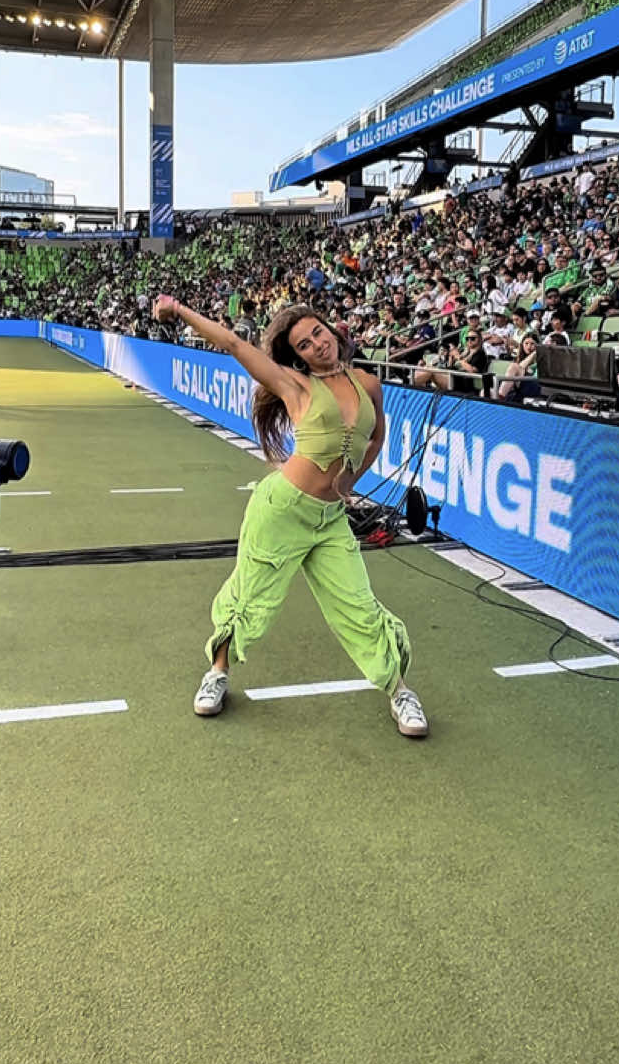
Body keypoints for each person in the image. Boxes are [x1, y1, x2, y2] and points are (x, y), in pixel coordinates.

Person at [151, 294, 427, 738]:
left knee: (359, 605)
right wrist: (180, 310)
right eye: (304, 344)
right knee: (250, 598)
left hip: (331, 519)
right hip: (281, 511)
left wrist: (348, 486)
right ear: (295, 356)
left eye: (318, 332)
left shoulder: (367, 384)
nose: (318, 344)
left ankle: (399, 690)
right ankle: (217, 672)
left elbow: (375, 439)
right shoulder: (295, 387)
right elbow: (236, 346)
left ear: (331, 330)